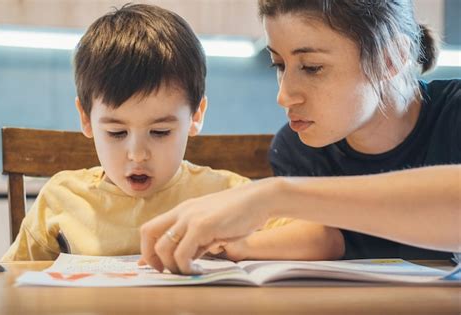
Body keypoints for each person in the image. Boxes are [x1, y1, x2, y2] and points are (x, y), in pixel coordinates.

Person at [138, 0, 461, 274]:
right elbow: (325, 240)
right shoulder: (298, 148)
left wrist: (274, 195)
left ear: (391, 58)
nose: (285, 95)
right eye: (279, 64)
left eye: (311, 67)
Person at [2, 3, 340, 263]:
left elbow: (326, 238)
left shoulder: (224, 194)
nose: (137, 154)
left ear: (196, 116)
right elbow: (10, 281)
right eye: (117, 133)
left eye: (160, 131)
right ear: (86, 119)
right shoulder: (61, 197)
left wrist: (236, 246)